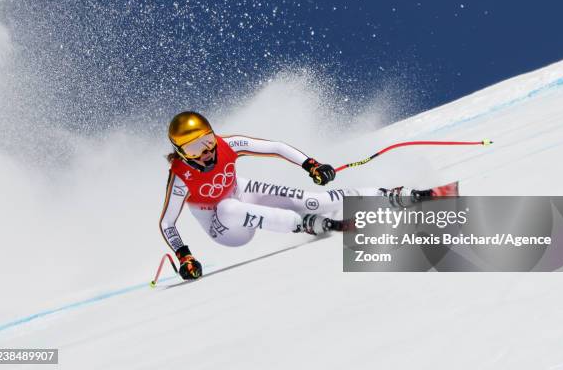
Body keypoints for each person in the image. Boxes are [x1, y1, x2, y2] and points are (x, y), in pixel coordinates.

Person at [159, 111, 455, 280]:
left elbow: (274, 147)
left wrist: (310, 164)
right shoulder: (181, 178)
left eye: (208, 140)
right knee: (227, 208)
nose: (207, 151)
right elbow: (167, 224)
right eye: (196, 148)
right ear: (181, 153)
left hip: (244, 192)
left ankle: (393, 195)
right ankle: (304, 224)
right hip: (224, 227)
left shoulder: (227, 144)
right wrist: (184, 256)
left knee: (315, 200)